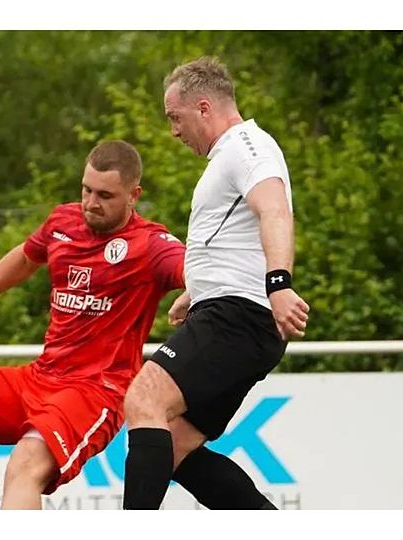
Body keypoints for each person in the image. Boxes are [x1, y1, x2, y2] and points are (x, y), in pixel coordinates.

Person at [0, 140, 187, 509]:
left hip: (94, 391)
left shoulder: (150, 244)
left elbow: (201, 272)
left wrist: (194, 292)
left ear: (134, 195)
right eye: (86, 190)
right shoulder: (63, 221)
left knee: (24, 466)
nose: (91, 202)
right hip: (40, 377)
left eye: (105, 195)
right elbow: (25, 259)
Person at [121, 56, 311, 510]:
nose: (173, 131)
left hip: (238, 317)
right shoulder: (233, 153)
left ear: (203, 108)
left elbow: (274, 211)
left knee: (144, 398)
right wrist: (198, 288)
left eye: (175, 117)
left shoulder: (247, 146)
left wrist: (279, 282)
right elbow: (235, 235)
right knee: (176, 447)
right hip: (231, 312)